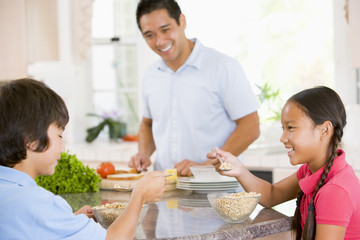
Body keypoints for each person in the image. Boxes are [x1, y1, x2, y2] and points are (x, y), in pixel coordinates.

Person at [0, 78, 166, 240]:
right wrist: (139, 195)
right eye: (59, 135)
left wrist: (68, 222)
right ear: (31, 139)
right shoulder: (40, 204)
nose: (63, 147)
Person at [208, 86, 360, 239]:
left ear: (324, 130)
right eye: (283, 128)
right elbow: (271, 195)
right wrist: (239, 169)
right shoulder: (310, 171)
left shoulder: (335, 191)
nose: (282, 138)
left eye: (291, 127)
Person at [128, 0, 260, 176]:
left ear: (182, 21)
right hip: (166, 190)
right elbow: (148, 122)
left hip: (218, 189)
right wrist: (144, 153)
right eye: (149, 35)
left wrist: (206, 166)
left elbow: (251, 126)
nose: (160, 41)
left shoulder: (222, 67)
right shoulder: (151, 75)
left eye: (165, 29)